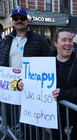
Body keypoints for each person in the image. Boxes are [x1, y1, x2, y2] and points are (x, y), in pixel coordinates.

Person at [0, 8, 52, 139]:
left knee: (32, 122)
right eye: (16, 19)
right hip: (12, 87)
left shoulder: (38, 39)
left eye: (22, 19)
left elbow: (49, 60)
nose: (19, 21)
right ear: (12, 21)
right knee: (15, 118)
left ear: (27, 21)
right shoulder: (6, 40)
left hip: (31, 88)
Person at [50, 28, 77, 139]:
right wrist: (23, 85)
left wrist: (63, 94)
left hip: (75, 117)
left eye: (70, 40)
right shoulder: (46, 62)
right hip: (53, 117)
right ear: (55, 43)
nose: (68, 43)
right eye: (63, 40)